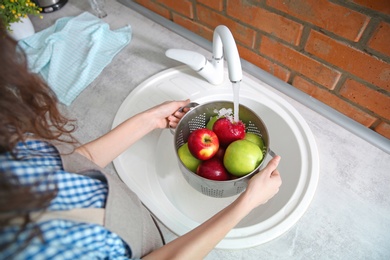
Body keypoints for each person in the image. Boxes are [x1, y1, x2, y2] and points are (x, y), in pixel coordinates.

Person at [0, 19, 282, 259]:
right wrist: (247, 202)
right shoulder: (43, 245)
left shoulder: (9, 151)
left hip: (140, 228)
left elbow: (76, 165)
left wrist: (150, 119)